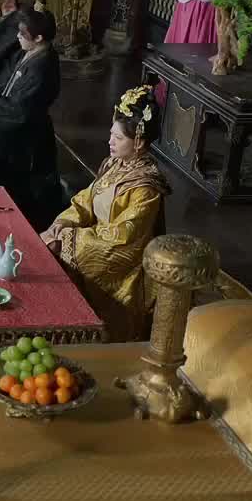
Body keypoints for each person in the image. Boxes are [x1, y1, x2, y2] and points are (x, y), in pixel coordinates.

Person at [42, 85, 168, 341]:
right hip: (92, 238)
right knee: (47, 240)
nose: (110, 142)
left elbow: (123, 239)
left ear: (139, 142)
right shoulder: (114, 164)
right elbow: (86, 200)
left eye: (118, 138)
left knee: (55, 249)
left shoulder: (145, 189)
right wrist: (64, 222)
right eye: (111, 135)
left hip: (121, 262)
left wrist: (70, 239)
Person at [0, 0, 62, 229]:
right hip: (16, 121)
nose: (18, 36)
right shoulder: (33, 53)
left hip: (24, 136)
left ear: (39, 38)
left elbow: (19, 111)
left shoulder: (42, 68)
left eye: (23, 33)